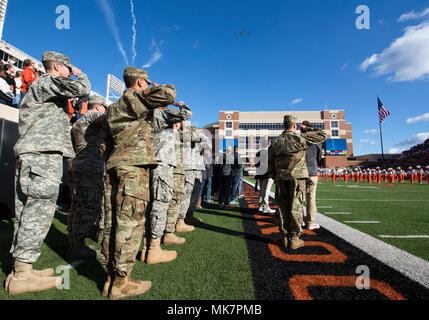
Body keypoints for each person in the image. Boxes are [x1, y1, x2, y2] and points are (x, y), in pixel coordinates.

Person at [6, 51, 91, 296]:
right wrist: (79, 73)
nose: (70, 70)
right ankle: (22, 275)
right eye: (67, 66)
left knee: (28, 210)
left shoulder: (46, 87)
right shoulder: (49, 80)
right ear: (56, 66)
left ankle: (21, 268)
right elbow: (83, 88)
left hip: (36, 153)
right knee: (38, 210)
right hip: (42, 154)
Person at [102, 67, 176, 300]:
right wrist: (150, 85)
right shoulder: (135, 98)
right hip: (133, 169)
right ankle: (121, 283)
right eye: (146, 82)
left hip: (115, 165)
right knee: (130, 224)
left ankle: (109, 279)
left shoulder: (114, 107)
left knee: (111, 224)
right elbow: (169, 93)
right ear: (141, 82)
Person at [143, 100, 192, 265]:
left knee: (152, 204)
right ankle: (153, 249)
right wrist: (179, 104)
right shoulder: (159, 114)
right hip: (162, 164)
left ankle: (145, 248)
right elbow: (187, 113)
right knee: (160, 204)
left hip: (156, 162)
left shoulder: (150, 115)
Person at [268, 115, 327, 250]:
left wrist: (274, 176)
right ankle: (294, 238)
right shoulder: (300, 138)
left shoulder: (276, 141)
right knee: (296, 206)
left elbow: (269, 161)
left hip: (281, 178)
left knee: (283, 207)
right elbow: (323, 135)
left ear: (284, 125)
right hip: (298, 177)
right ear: (295, 126)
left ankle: (284, 237)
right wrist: (308, 128)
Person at [67, 95, 109, 261]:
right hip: (89, 168)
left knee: (77, 206)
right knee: (87, 207)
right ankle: (78, 246)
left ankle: (73, 242)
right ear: (98, 107)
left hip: (78, 165)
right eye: (104, 108)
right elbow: (112, 121)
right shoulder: (92, 116)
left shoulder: (79, 121)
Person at [165, 122, 195, 233]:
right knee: (174, 199)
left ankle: (175, 224)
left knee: (176, 199)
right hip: (174, 171)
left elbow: (196, 137)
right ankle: (170, 229)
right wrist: (185, 126)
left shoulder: (178, 135)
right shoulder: (170, 134)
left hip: (177, 170)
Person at [300, 121, 323, 230]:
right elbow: (319, 158)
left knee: (299, 198)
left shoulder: (299, 139)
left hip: (300, 171)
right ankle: (310, 222)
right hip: (312, 171)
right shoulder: (317, 141)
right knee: (311, 198)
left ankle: (299, 221)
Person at [255, 138, 275, 214]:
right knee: (266, 191)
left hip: (260, 174)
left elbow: (256, 164)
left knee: (262, 191)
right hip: (268, 174)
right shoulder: (269, 153)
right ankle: (265, 206)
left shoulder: (258, 152)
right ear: (268, 144)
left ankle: (260, 206)